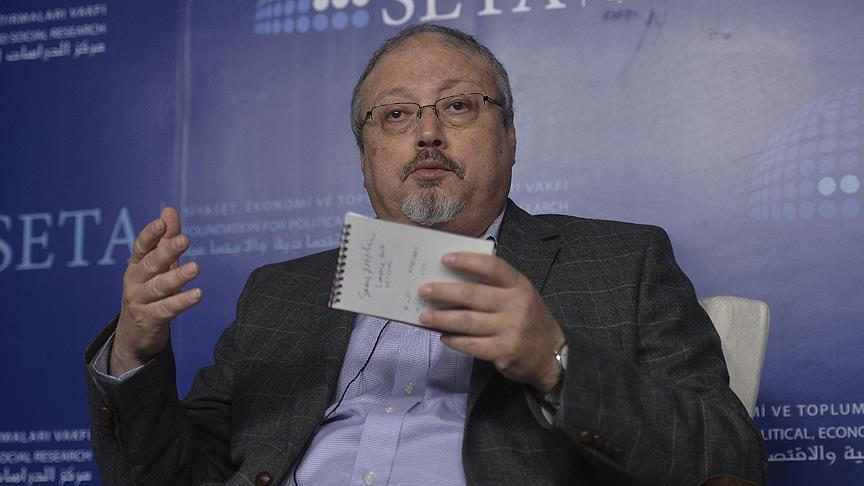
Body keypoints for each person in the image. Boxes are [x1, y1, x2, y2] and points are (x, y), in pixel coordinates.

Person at [85, 24, 767, 485]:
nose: (428, 134)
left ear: (510, 139)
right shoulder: (280, 293)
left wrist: (555, 363)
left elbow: (728, 457)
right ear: (365, 158)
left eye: (459, 106)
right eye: (396, 114)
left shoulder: (622, 262)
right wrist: (135, 356)